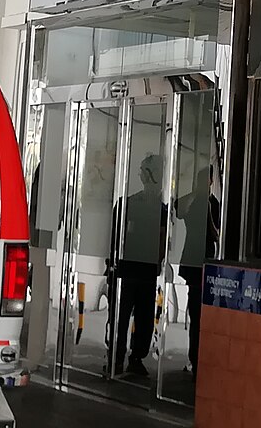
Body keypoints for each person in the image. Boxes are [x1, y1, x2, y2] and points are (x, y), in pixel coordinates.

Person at [105, 154, 167, 377]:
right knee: (128, 317)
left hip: (138, 270)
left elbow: (161, 240)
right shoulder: (129, 205)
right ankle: (123, 357)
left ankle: (127, 357)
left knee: (135, 317)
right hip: (131, 269)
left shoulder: (139, 206)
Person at [175, 165, 221, 378]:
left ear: (211, 182)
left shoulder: (214, 204)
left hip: (205, 260)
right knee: (195, 313)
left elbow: (216, 234)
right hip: (192, 260)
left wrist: (209, 211)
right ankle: (194, 359)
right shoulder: (192, 200)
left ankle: (201, 358)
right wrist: (195, 194)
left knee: (203, 316)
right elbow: (178, 210)